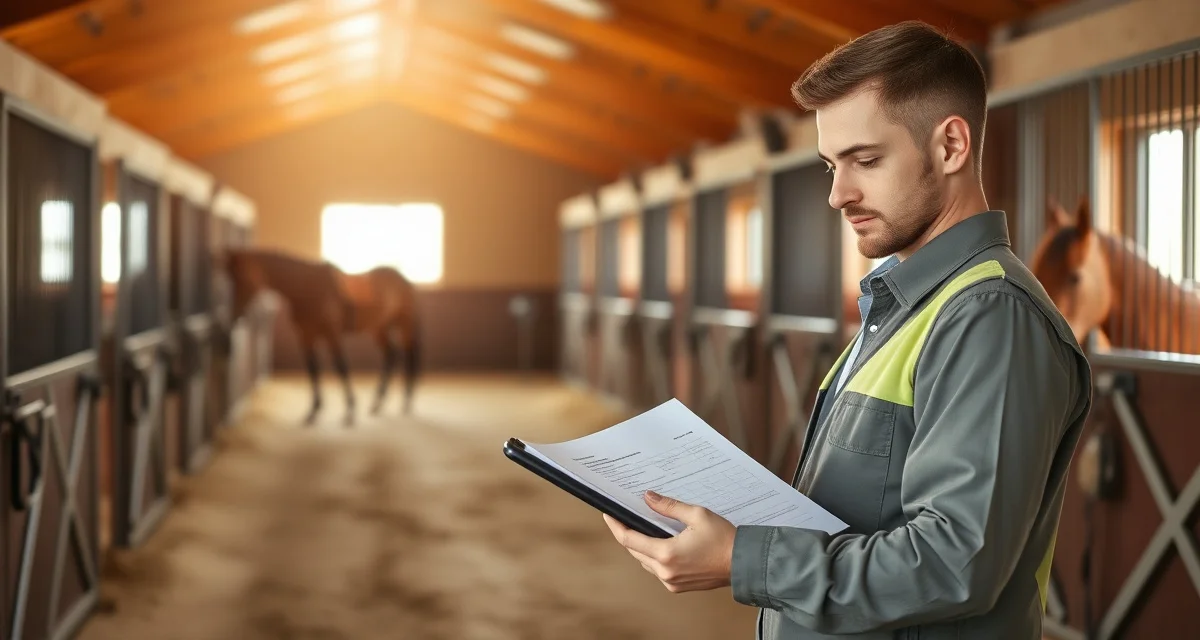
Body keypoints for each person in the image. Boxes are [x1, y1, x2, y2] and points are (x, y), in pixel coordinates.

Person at [602, 20, 1093, 639]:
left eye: (865, 160)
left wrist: (743, 557)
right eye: (831, 165)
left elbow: (953, 563)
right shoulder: (906, 304)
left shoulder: (989, 316)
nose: (837, 195)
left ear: (951, 147)